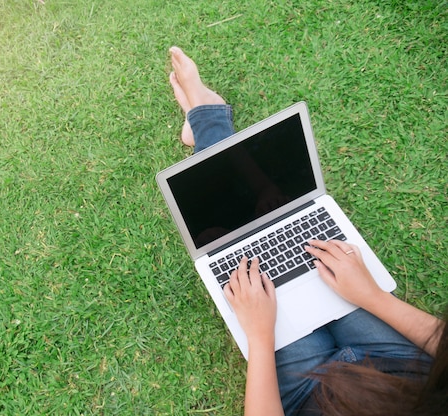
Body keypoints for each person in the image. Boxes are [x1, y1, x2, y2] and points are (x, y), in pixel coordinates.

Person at [167, 46, 448, 416]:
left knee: (238, 250)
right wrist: (373, 296)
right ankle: (208, 120)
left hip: (306, 397)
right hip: (401, 373)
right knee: (288, 213)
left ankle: (208, 118)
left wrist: (260, 336)